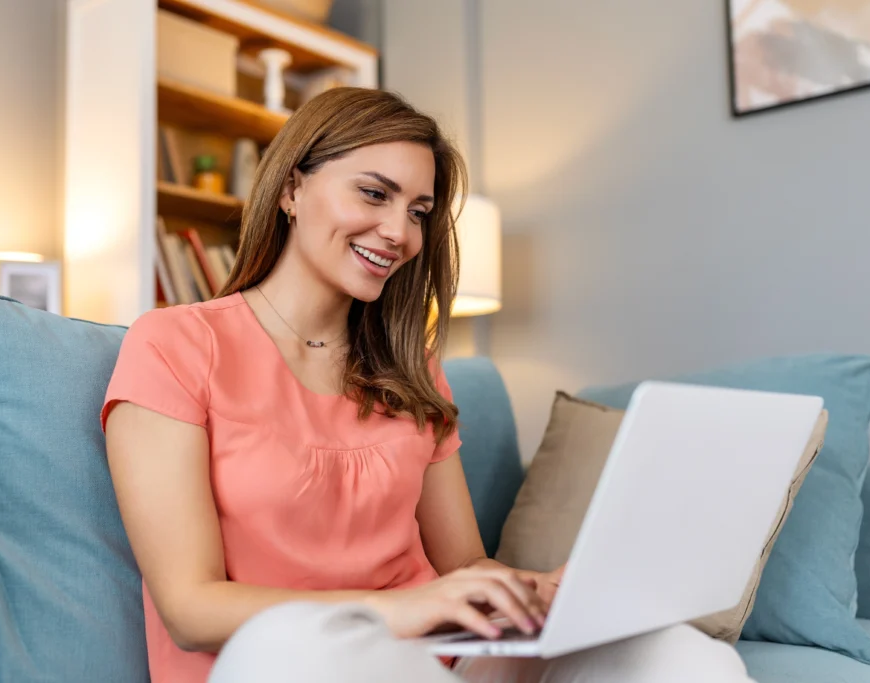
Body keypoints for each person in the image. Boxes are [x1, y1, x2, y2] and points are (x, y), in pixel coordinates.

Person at [102, 87, 754, 683]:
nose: (399, 233)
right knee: (294, 648)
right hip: (290, 661)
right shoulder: (176, 344)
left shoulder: (411, 365)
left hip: (435, 663)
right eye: (374, 193)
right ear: (291, 189)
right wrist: (403, 610)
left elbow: (465, 564)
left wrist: (538, 592)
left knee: (684, 654)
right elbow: (190, 606)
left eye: (419, 211)